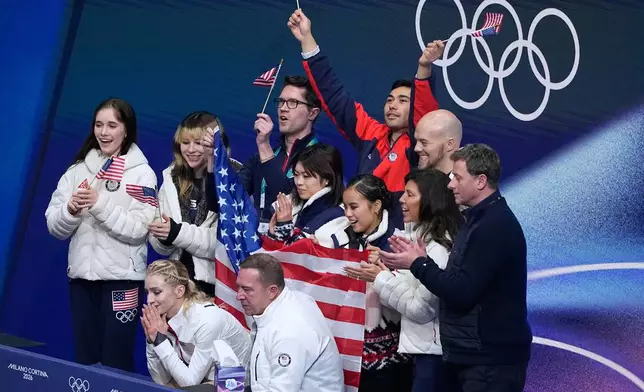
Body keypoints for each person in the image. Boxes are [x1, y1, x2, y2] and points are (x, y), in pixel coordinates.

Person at [380, 144, 533, 392]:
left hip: (490, 361)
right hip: (475, 357)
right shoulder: (477, 220)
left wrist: (417, 263)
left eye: (458, 177)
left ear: (481, 181)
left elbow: (461, 291)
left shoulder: (493, 227)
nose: (450, 184)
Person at [45, 98, 156, 371]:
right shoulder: (77, 170)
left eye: (112, 125)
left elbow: (139, 230)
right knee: (85, 361)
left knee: (115, 361)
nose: (104, 132)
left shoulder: (142, 174)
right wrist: (70, 210)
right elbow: (53, 226)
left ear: (126, 130)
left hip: (122, 282)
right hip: (82, 281)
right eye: (98, 125)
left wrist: (98, 204)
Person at [287, 9, 444, 197]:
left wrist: (424, 68)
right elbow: (334, 96)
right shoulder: (371, 133)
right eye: (389, 100)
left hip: (400, 225)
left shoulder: (419, 146)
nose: (392, 105)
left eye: (403, 101)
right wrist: (307, 40)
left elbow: (423, 113)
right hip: (359, 222)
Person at [349, 169, 462, 391]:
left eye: (410, 194)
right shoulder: (420, 241)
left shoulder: (438, 248)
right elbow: (410, 293)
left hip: (433, 359)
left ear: (429, 200)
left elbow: (422, 310)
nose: (401, 199)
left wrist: (380, 278)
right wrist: (385, 269)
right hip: (421, 353)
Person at [317, 174, 413, 392]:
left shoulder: (399, 242)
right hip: (342, 355)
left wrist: (384, 272)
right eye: (345, 207)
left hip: (389, 362)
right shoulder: (334, 238)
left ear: (376, 205)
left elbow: (413, 297)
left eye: (354, 207)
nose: (348, 214)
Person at [149, 111, 234, 296]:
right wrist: (164, 237)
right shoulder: (171, 179)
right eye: (186, 143)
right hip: (176, 286)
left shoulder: (233, 178)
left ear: (214, 143)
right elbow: (161, 247)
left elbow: (223, 244)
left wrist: (176, 232)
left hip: (218, 288)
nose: (191, 150)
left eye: (199, 143)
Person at [236, 253, 344, 392]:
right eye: (238, 287)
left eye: (247, 289)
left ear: (272, 291)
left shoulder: (289, 332)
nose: (238, 296)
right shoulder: (294, 299)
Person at [142, 259, 251, 388]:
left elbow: (189, 383)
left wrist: (160, 341)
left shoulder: (207, 321)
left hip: (238, 384)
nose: (149, 300)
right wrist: (152, 340)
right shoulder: (161, 320)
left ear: (179, 291)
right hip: (205, 380)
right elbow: (162, 381)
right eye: (147, 292)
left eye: (157, 292)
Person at [236, 75, 322, 233]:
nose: (283, 107)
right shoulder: (259, 158)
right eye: (281, 101)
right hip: (257, 247)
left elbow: (285, 198)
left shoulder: (323, 159)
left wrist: (264, 145)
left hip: (293, 250)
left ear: (313, 113)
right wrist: (212, 161)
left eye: (293, 102)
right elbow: (226, 199)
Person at [268, 143, 345, 245]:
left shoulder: (340, 215)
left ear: (327, 178)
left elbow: (313, 256)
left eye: (306, 176)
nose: (299, 182)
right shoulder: (287, 203)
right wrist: (272, 234)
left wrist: (285, 227)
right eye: (296, 174)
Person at [413, 109, 463, 174]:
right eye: (416, 141)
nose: (416, 148)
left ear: (449, 144)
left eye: (424, 143)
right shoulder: (414, 180)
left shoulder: (465, 183)